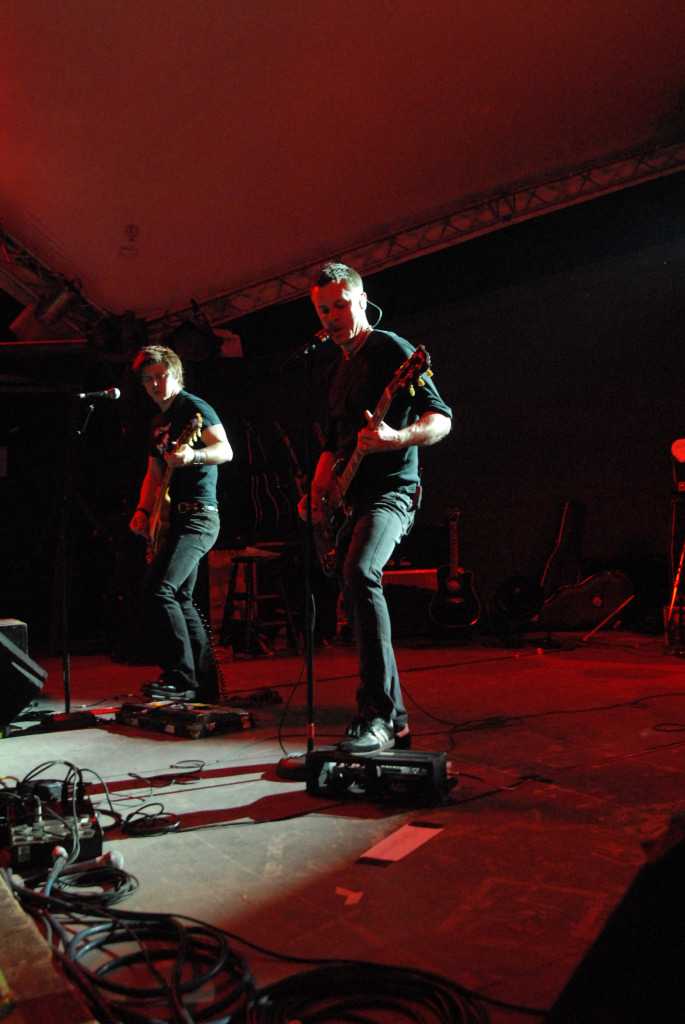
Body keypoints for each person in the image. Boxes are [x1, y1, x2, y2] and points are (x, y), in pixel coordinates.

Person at [299, 262, 452, 754]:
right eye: (323, 310)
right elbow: (333, 444)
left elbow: (441, 419)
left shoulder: (392, 350)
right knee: (350, 582)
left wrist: (396, 437)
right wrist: (318, 494)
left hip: (392, 491)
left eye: (340, 306)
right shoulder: (334, 369)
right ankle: (396, 722)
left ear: (362, 301)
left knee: (361, 572)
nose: (331, 317)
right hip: (350, 499)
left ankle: (379, 714)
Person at [129, 344, 233, 701]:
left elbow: (225, 450)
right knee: (181, 598)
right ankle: (205, 686)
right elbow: (154, 472)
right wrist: (144, 511)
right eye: (148, 379)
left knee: (158, 589)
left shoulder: (194, 408)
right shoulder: (158, 423)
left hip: (200, 516)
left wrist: (193, 456)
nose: (155, 384)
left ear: (176, 374)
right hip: (174, 519)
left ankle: (180, 678)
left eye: (161, 376)